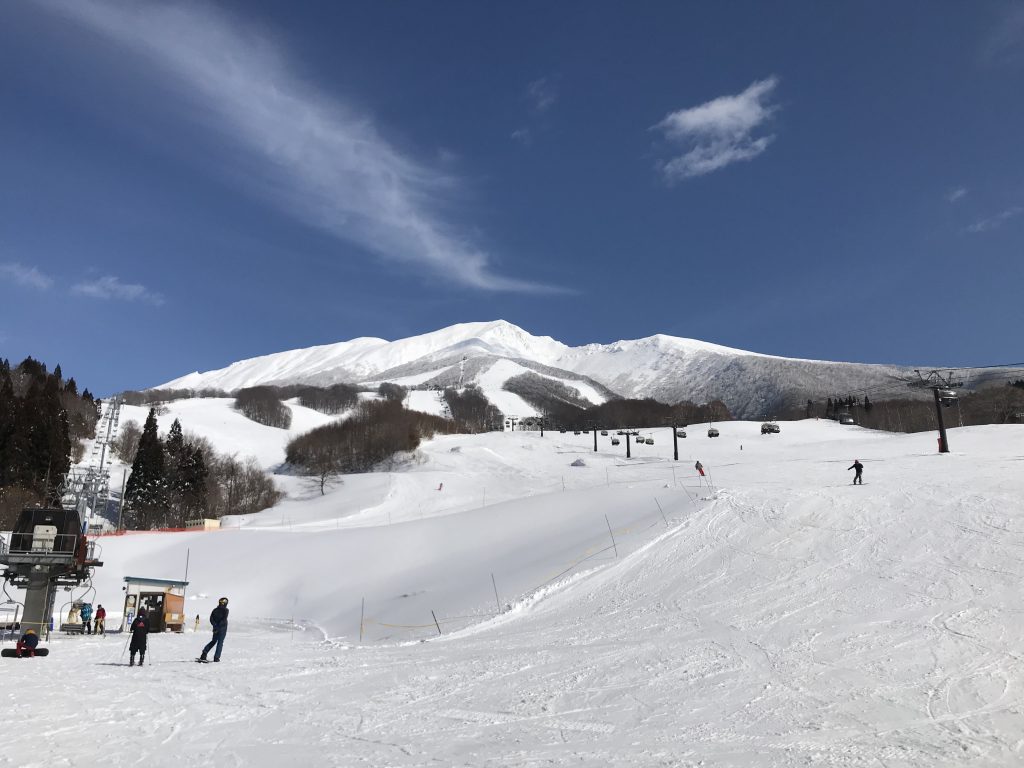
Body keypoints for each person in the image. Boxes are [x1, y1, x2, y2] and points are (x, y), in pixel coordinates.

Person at [199, 597, 229, 663]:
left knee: (213, 641)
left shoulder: (215, 610)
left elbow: (211, 619)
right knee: (220, 643)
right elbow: (223, 620)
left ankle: (204, 653)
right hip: (222, 629)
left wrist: (215, 625)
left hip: (216, 628)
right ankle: (216, 657)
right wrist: (218, 626)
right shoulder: (226, 610)